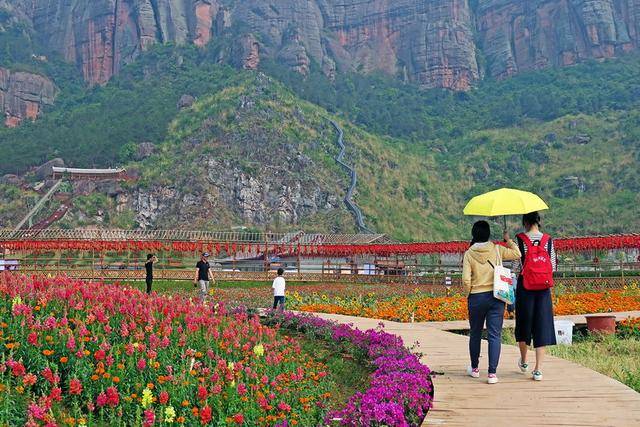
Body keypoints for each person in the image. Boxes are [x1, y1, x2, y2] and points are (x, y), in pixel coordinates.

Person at [462, 220, 521, 384]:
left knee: (475, 333)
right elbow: (517, 253)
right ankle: (492, 374)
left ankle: (474, 369)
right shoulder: (497, 249)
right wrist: (507, 240)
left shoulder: (468, 254)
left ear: (474, 234)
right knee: (494, 335)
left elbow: (466, 280)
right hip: (496, 297)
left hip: (476, 297)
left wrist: (469, 294)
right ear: (488, 234)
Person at [515, 211, 557, 381]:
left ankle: (524, 361)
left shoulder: (520, 240)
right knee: (542, 325)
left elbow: (516, 266)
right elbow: (553, 266)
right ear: (538, 221)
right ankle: (538, 370)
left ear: (525, 221)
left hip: (525, 288)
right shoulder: (548, 240)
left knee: (524, 324)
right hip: (543, 289)